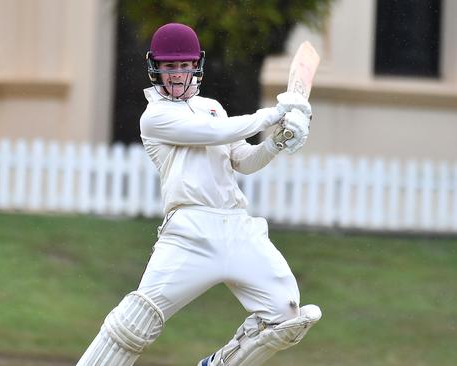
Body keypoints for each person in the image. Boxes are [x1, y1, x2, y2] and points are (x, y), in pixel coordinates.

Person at [76, 23, 321, 366]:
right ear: (156, 68)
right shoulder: (155, 117)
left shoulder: (214, 108)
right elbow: (211, 133)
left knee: (287, 315)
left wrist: (278, 139)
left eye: (184, 66)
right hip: (189, 232)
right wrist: (273, 114)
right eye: (169, 66)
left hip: (237, 228)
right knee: (134, 323)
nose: (177, 74)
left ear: (196, 66)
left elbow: (245, 161)